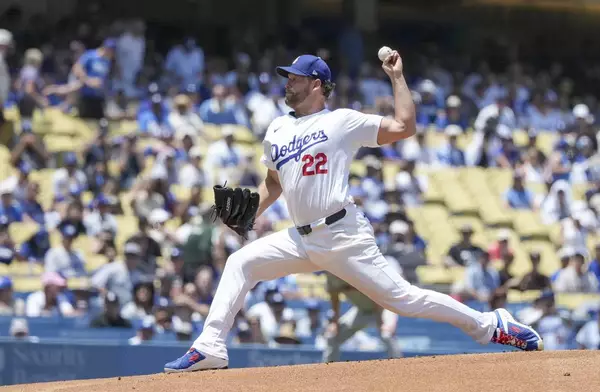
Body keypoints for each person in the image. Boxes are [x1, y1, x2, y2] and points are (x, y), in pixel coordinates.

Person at [164, 52, 543, 373]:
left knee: (404, 301)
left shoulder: (340, 121)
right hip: (300, 236)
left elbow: (403, 126)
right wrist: (249, 214)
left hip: (342, 234)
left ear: (316, 83)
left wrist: (396, 77)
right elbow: (274, 183)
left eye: (294, 77)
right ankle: (211, 346)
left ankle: (491, 325)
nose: (287, 83)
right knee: (240, 264)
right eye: (287, 77)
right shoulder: (277, 129)